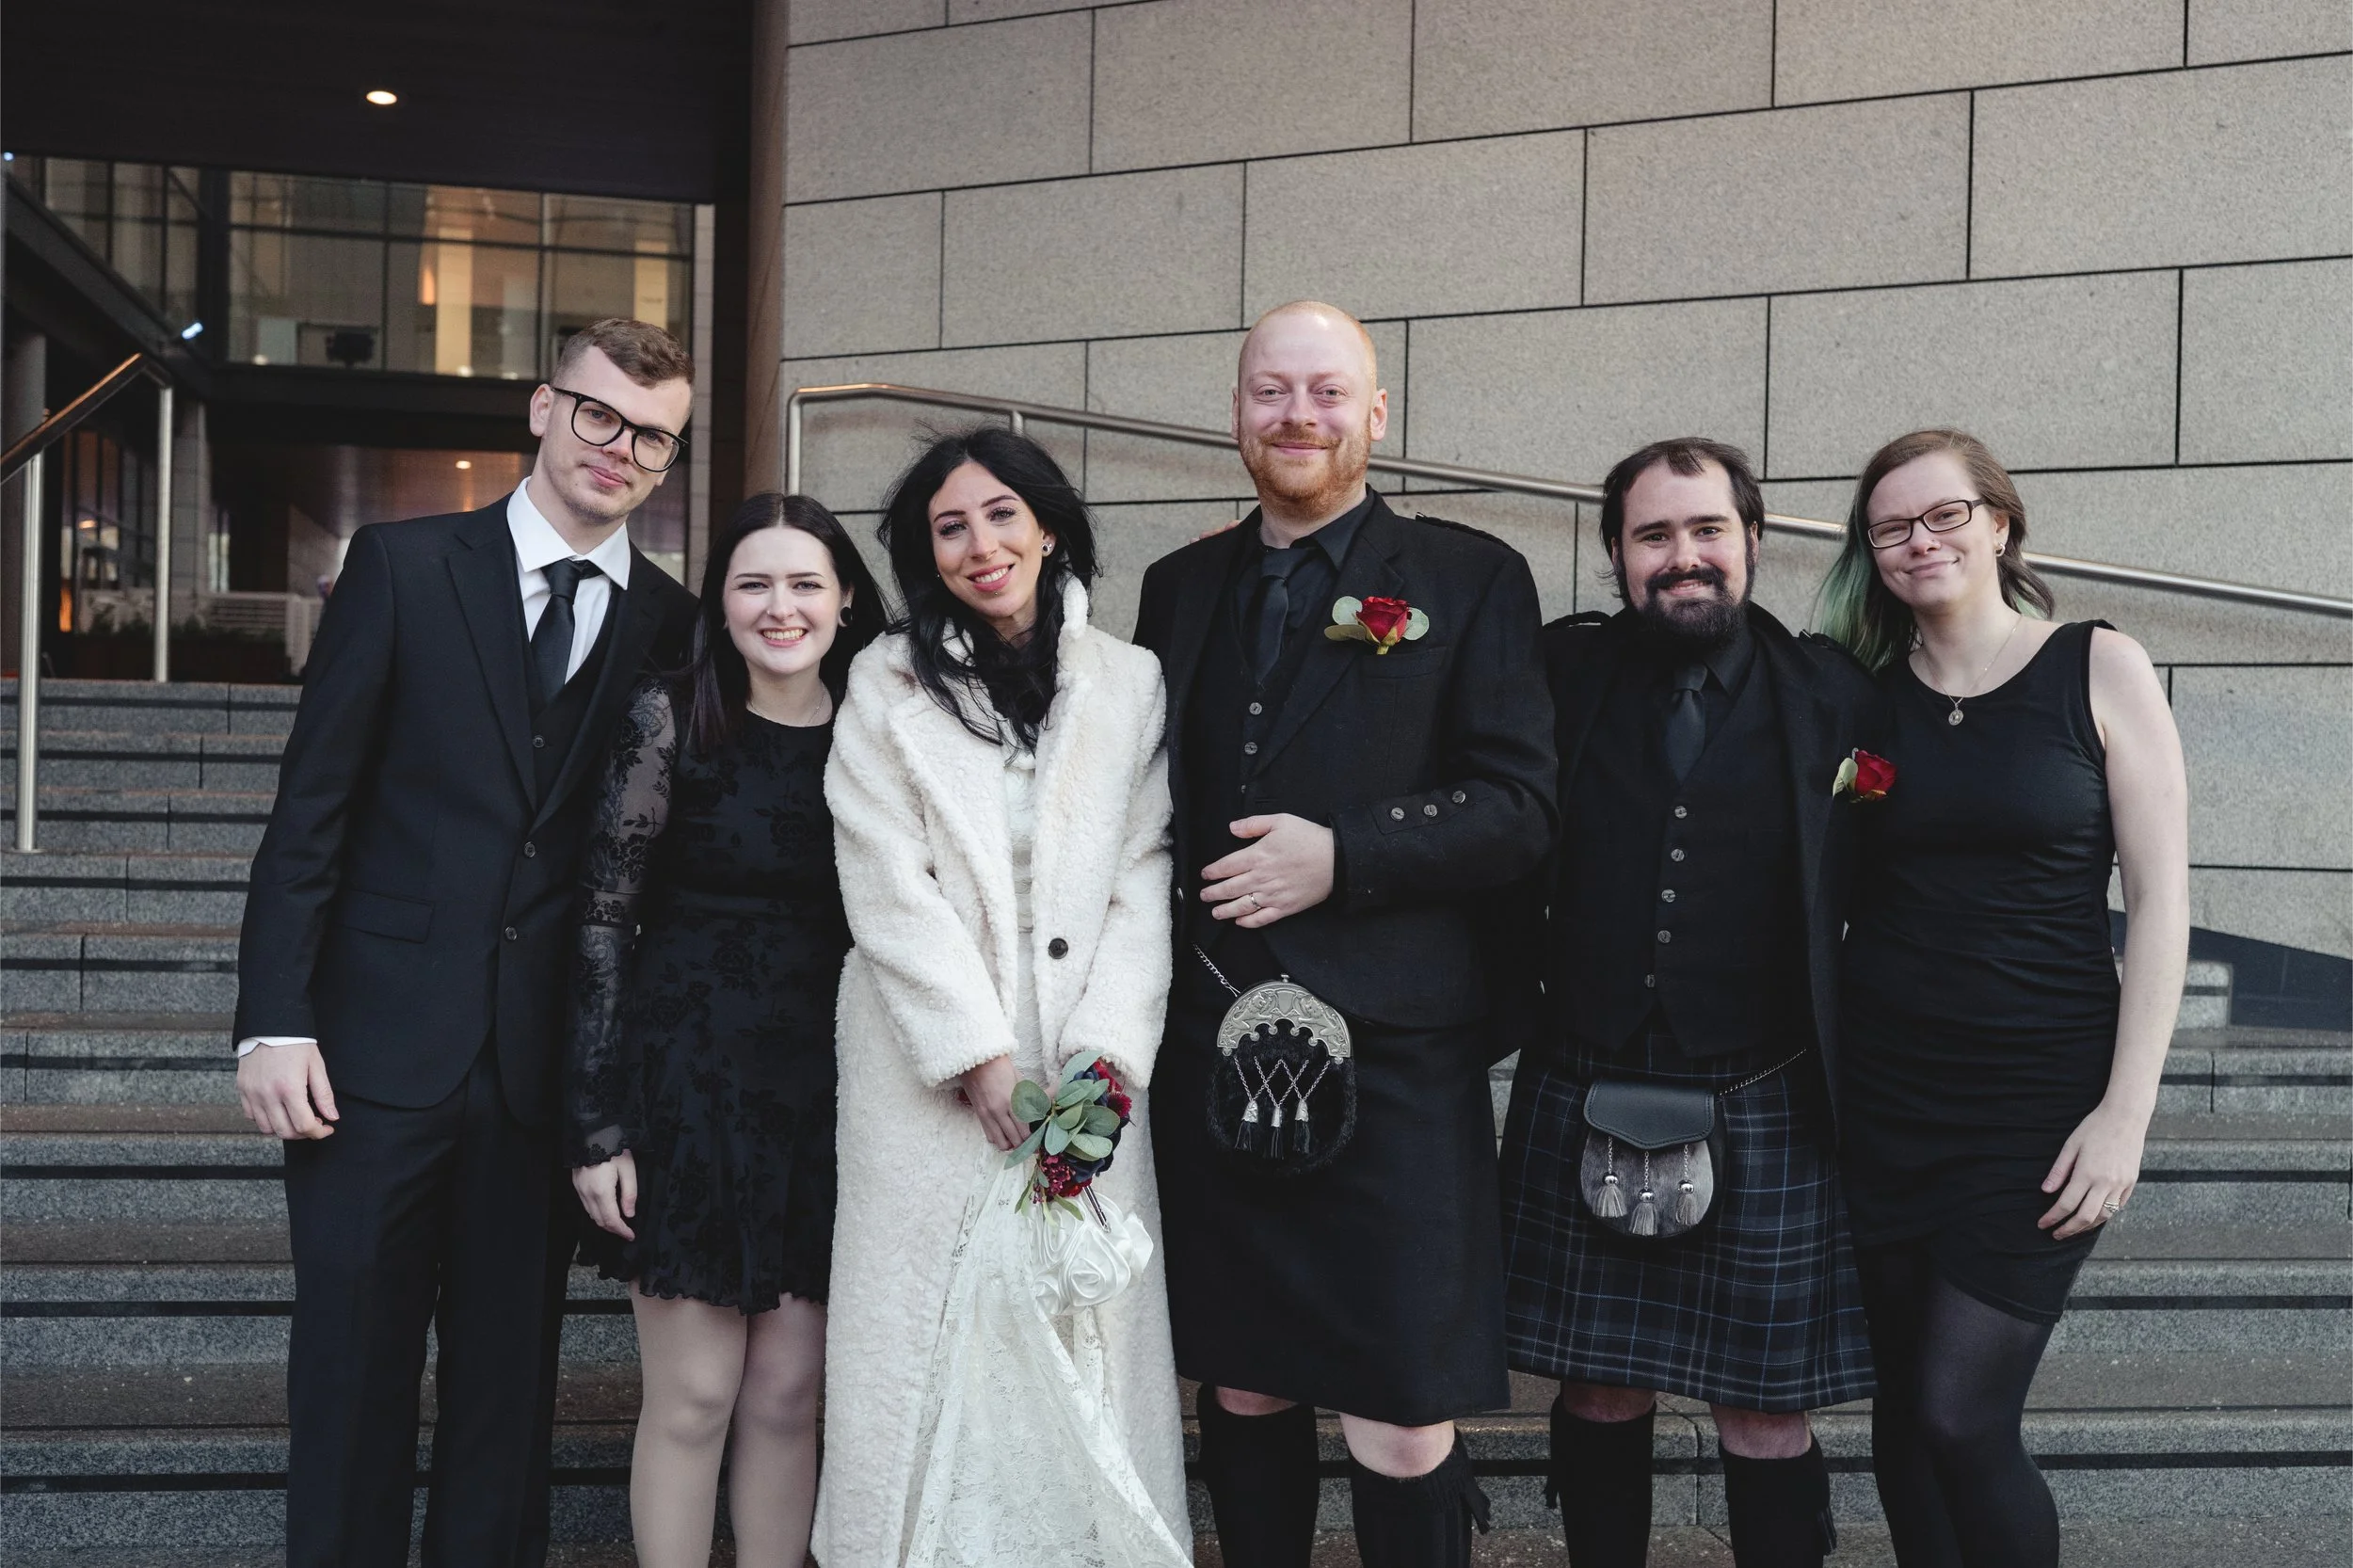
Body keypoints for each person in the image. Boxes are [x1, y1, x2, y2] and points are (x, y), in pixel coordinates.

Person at [231, 318, 700, 1566]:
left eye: (653, 437)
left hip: (538, 1077)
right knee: (350, 1380)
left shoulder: (675, 621)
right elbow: (311, 810)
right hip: (368, 1058)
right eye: (600, 414)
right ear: (543, 410)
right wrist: (274, 1017)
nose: (621, 448)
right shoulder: (403, 564)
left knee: (507, 1401)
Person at [1133, 300, 1556, 1568]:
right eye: (1272, 391)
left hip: (1399, 1056)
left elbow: (1521, 807)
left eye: (1327, 392)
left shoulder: (1471, 575)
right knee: (1246, 1386)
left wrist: (1347, 853)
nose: (1297, 416)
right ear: (1238, 414)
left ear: (1376, 414)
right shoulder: (1178, 587)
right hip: (1213, 1035)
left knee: (1400, 1408)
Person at [1494, 437, 1882, 1568]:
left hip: (1766, 1083)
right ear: (1616, 554)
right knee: (1600, 1385)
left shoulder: (1835, 694)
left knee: (1764, 1407)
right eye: (1653, 535)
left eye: (1706, 530)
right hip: (1583, 1067)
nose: (1684, 557)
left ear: (1753, 541)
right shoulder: (1554, 676)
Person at [810, 427, 1187, 1566]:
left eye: (1000, 515)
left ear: (1048, 525)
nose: (981, 545)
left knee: (1078, 1332)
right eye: (950, 527)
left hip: (1083, 1071)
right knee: (920, 1340)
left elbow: (1142, 873)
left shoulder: (1130, 679)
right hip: (925, 1069)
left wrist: (1106, 1064)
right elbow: (883, 878)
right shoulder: (882, 679)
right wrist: (975, 1054)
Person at [1820, 428, 2187, 1568]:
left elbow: (2163, 899)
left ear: (1999, 522)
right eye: (1891, 526)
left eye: (1943, 515)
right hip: (1882, 1100)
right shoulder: (1861, 701)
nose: (1918, 540)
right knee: (1898, 1420)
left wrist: (2124, 1113)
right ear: (1870, 553)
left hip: (2035, 1106)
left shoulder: (2097, 664)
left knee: (1959, 1414)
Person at [564, 493, 881, 1567]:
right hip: (688, 1084)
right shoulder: (671, 714)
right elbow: (602, 919)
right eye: (754, 582)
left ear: (845, 599)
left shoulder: (884, 729)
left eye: (804, 583)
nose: (779, 605)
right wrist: (598, 1124)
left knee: (790, 1394)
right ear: (721, 601)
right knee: (696, 1394)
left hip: (832, 1095)